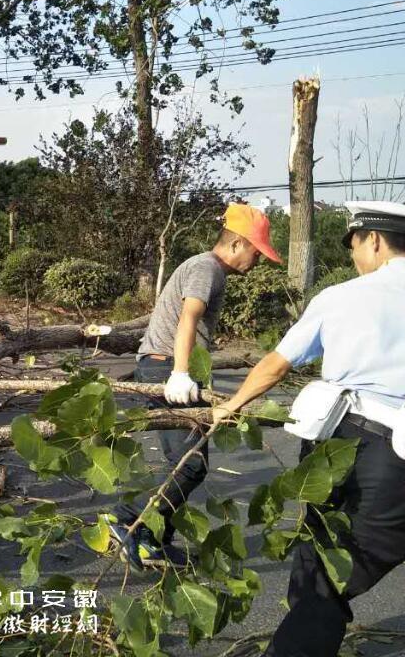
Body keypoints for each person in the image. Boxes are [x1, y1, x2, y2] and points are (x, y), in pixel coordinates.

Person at [211, 201, 405, 657]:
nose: (353, 256)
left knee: (324, 572)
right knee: (325, 573)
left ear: (374, 240)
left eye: (354, 244)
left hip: (333, 447)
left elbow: (275, 365)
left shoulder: (341, 297)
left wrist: (230, 405)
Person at [111, 202, 282, 569]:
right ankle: (127, 519)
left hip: (167, 367)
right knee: (189, 465)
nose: (258, 261)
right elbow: (188, 317)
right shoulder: (207, 268)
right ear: (237, 243)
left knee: (186, 462)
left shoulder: (203, 267)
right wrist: (181, 372)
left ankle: (153, 538)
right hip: (167, 369)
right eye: (256, 252)